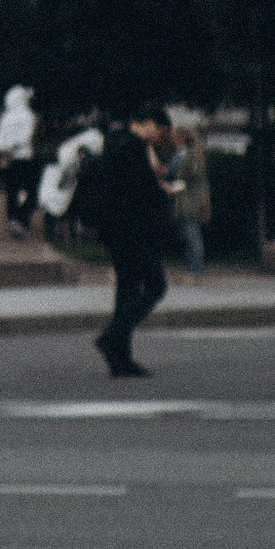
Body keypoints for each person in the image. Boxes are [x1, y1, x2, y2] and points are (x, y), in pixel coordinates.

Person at [89, 102, 176, 378]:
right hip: (134, 231)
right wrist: (162, 191)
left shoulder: (115, 142)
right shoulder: (133, 147)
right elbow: (138, 193)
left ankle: (120, 359)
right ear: (148, 122)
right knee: (156, 285)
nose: (160, 135)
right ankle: (113, 336)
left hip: (116, 231)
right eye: (160, 128)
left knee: (127, 290)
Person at [0, 82, 38, 238]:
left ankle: (12, 218)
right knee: (27, 191)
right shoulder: (28, 116)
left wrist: (5, 153)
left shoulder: (5, 117)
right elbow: (25, 139)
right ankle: (21, 220)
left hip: (7, 159)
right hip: (23, 158)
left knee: (12, 191)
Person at [169, 119, 211, 278]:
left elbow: (184, 178)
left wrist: (171, 187)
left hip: (189, 201)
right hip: (189, 200)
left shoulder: (187, 155)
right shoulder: (188, 154)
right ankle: (191, 269)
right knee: (189, 235)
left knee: (192, 235)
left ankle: (194, 270)